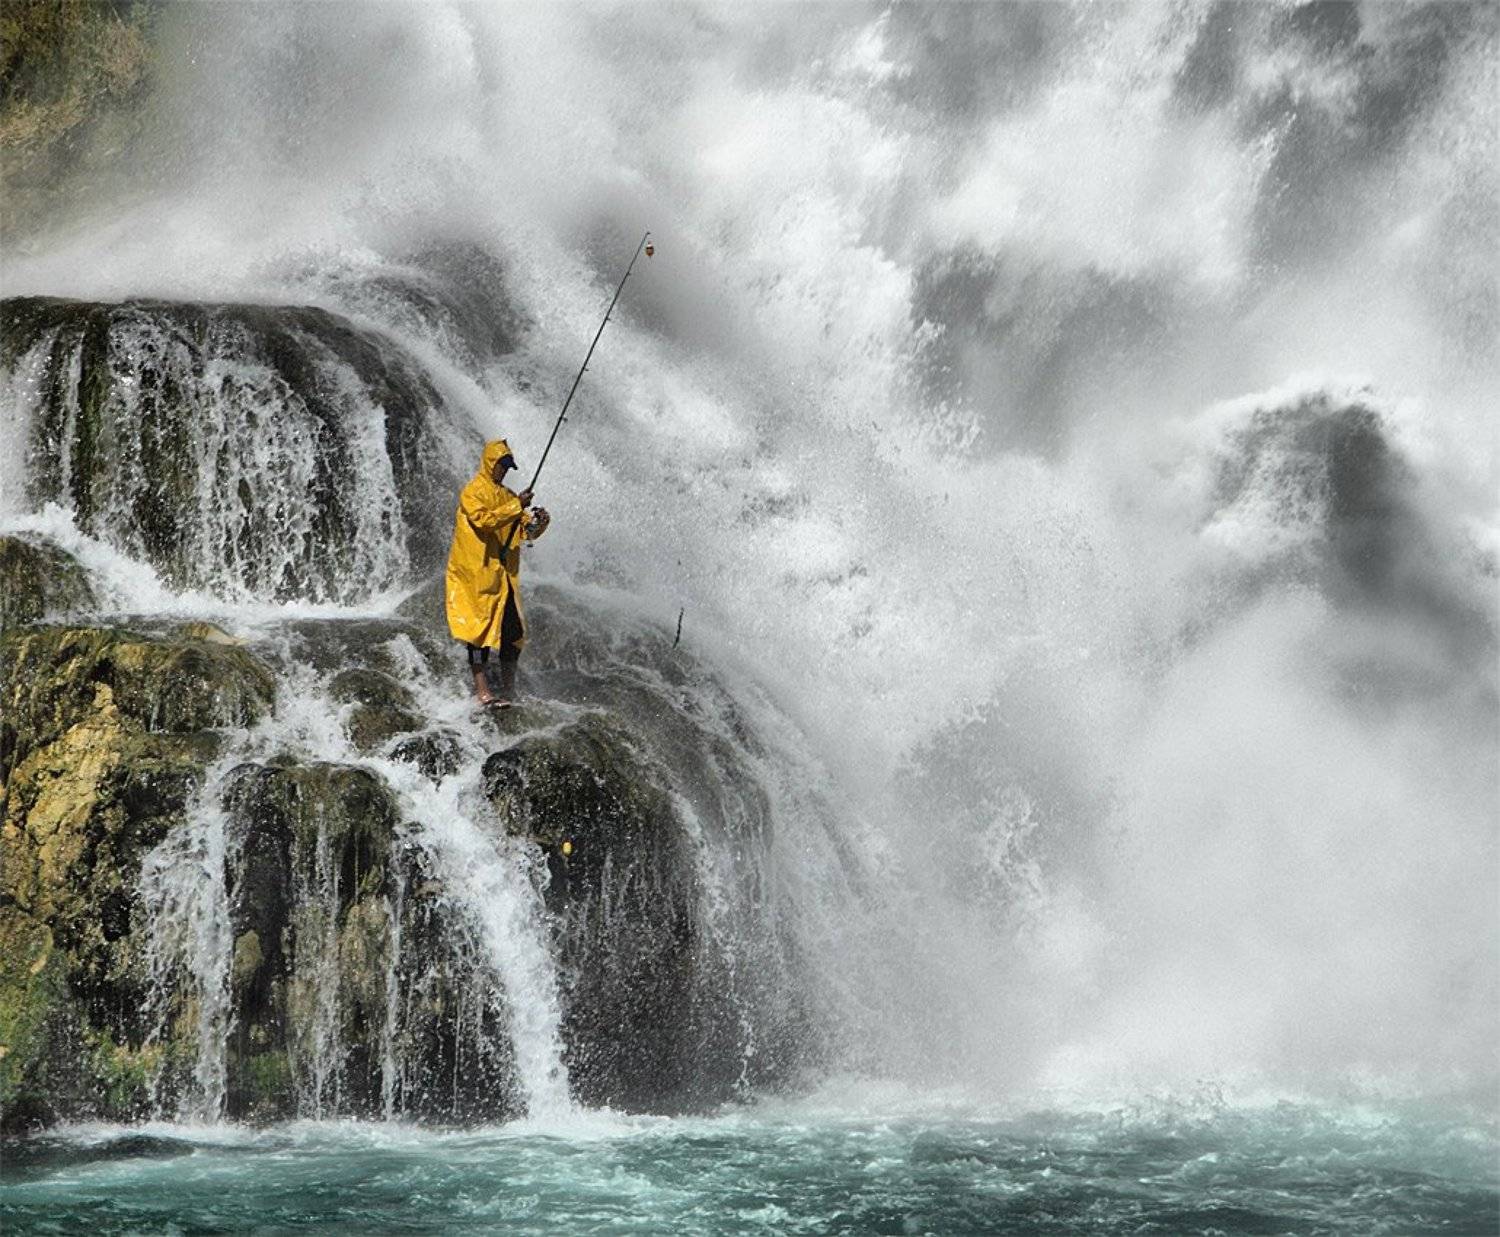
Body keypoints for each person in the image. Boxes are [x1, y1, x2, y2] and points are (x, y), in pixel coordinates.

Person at [445, 438, 551, 707]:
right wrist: (517, 505)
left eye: (507, 466)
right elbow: (485, 521)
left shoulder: (507, 496)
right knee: (477, 633)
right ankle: (483, 692)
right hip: (476, 574)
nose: (503, 470)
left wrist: (539, 522)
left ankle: (508, 690)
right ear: (489, 462)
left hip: (502, 578)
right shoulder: (473, 492)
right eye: (501, 464)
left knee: (513, 632)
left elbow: (523, 532)